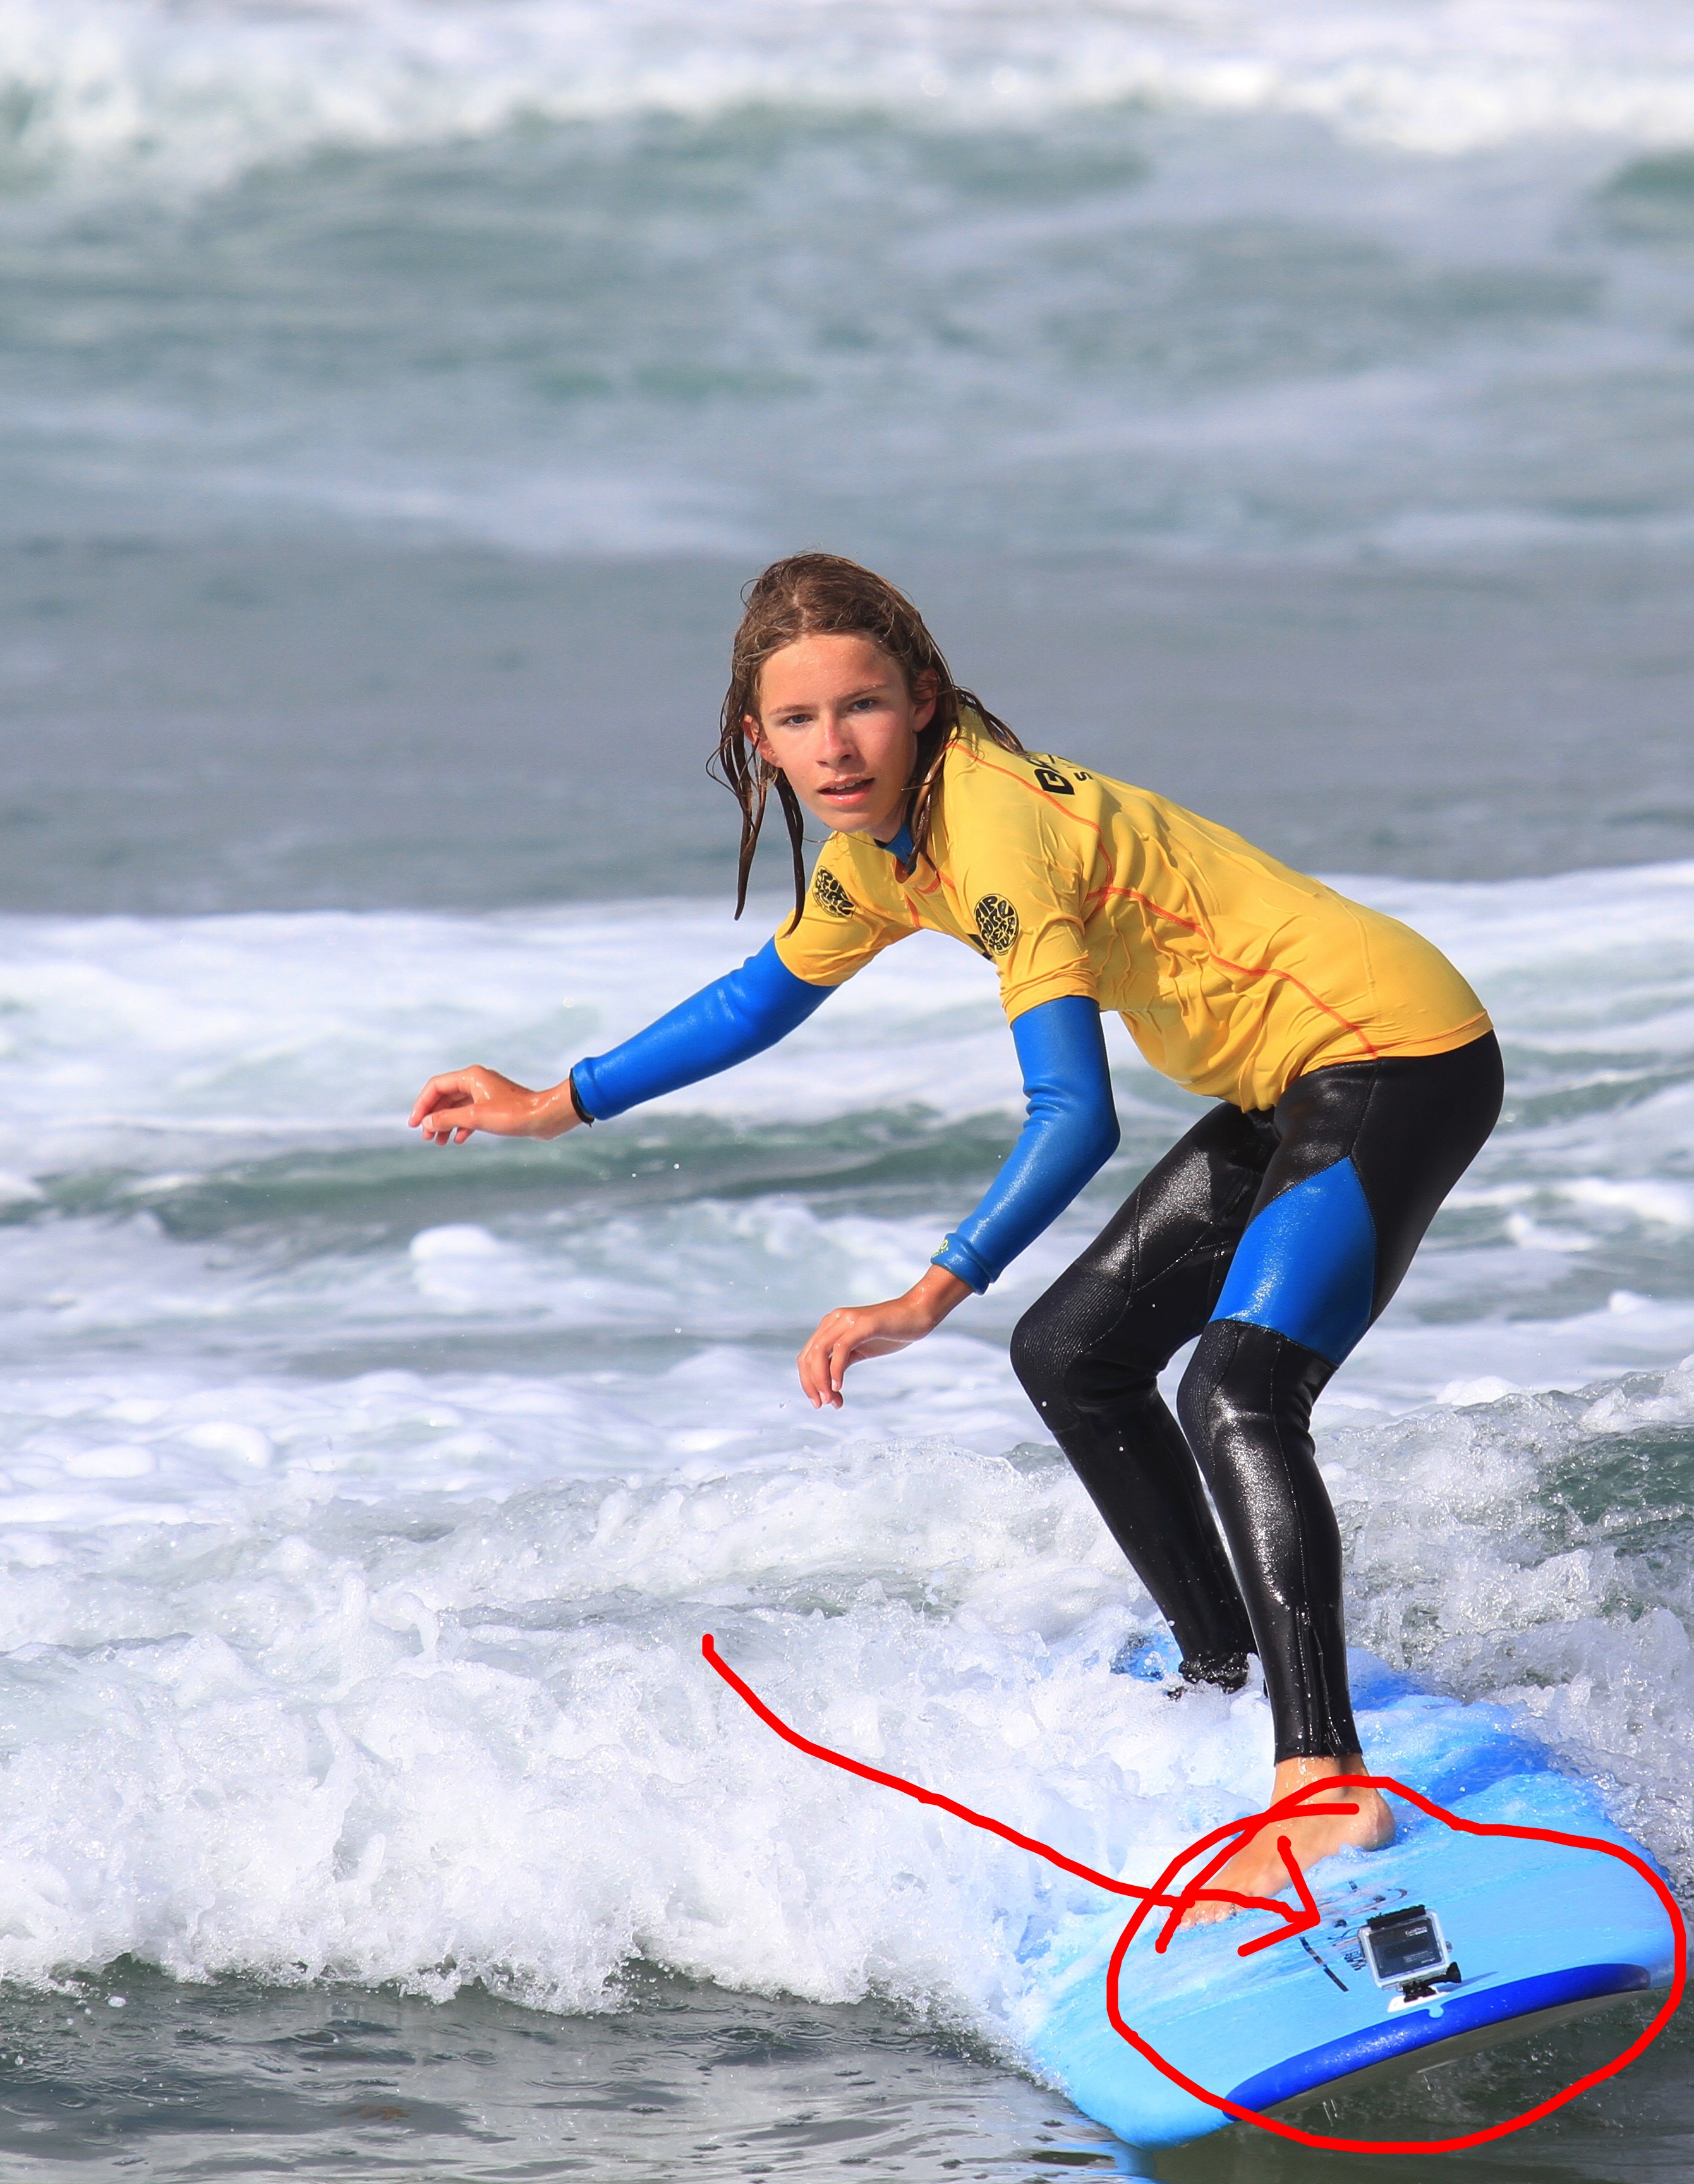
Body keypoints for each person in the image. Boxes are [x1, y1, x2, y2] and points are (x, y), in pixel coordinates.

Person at [406, 554, 1501, 1914]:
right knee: (1075, 1355)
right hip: (1287, 1080)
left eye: (860, 707)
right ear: (757, 738)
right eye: (797, 723)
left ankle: (1324, 1782)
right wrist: (552, 1104)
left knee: (1237, 1386)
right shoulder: (878, 854)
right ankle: (1226, 1677)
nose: (833, 747)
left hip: (1392, 1055)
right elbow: (760, 999)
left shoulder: (991, 836)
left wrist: (925, 1294)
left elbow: (1072, 1116)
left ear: (922, 699)